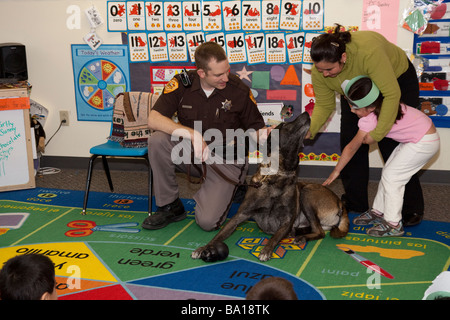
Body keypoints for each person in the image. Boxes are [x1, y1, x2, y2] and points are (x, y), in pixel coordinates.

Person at [142, 41, 271, 232]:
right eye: (218, 74)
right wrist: (192, 134)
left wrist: (267, 135)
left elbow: (256, 128)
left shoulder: (238, 90)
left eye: (227, 70)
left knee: (207, 222)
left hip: (227, 160)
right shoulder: (181, 84)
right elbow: (153, 119)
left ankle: (229, 188)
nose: (226, 78)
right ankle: (170, 205)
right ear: (201, 73)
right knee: (157, 140)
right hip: (195, 155)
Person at [307, 24, 425, 226]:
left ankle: (410, 206)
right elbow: (325, 105)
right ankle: (355, 201)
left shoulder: (369, 53)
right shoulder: (321, 70)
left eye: (329, 69)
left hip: (396, 83)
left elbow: (391, 94)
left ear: (343, 58)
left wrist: (377, 133)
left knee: (393, 145)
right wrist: (309, 131)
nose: (324, 74)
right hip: (356, 91)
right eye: (320, 69)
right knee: (350, 140)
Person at [323, 76, 439, 237]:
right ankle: (379, 211)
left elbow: (352, 147)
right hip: (417, 138)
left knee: (393, 178)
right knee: (388, 174)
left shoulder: (369, 119)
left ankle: (393, 224)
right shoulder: (384, 104)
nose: (352, 111)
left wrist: (336, 171)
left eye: (356, 108)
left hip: (424, 141)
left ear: (370, 108)